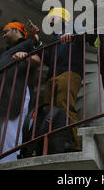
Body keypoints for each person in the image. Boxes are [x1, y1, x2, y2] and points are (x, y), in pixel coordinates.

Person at [0, 22, 41, 165]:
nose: (3, 35)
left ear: (16, 30)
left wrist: (26, 56)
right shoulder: (6, 52)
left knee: (10, 135)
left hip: (15, 94)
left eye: (6, 31)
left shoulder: (28, 43)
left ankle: (8, 166)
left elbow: (38, 60)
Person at [42, 8, 84, 150]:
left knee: (64, 106)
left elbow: (87, 37)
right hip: (53, 76)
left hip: (70, 72)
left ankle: (75, 144)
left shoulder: (75, 28)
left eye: (53, 18)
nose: (51, 21)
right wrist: (37, 44)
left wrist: (73, 35)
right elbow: (48, 59)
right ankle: (54, 146)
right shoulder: (54, 39)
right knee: (48, 112)